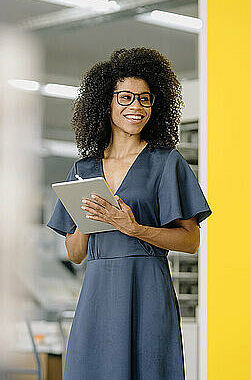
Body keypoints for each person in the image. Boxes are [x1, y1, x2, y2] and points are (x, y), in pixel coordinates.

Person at [47, 47, 212, 380]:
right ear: (105, 102)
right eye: (125, 97)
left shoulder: (167, 163)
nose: (136, 107)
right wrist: (88, 219)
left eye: (145, 99)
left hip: (147, 291)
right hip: (98, 295)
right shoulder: (83, 169)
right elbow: (76, 254)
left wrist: (134, 228)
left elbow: (191, 240)